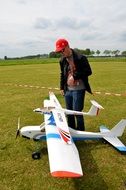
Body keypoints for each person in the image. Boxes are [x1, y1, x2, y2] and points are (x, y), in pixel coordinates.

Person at [55, 38, 92, 131]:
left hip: (79, 89)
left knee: (77, 112)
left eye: (62, 50)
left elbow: (88, 71)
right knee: (69, 112)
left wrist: (74, 76)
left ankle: (81, 132)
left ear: (67, 47)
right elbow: (62, 74)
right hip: (68, 90)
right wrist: (61, 87)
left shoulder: (81, 57)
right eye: (59, 52)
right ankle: (71, 131)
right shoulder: (62, 60)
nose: (61, 53)